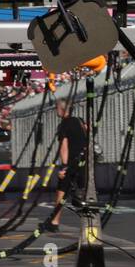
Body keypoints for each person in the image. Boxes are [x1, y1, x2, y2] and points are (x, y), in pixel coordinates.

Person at [43, 97, 87, 231]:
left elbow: (64, 146)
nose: (56, 110)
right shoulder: (80, 121)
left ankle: (55, 222)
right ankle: (89, 223)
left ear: (61, 110)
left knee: (62, 191)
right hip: (84, 160)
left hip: (72, 162)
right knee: (83, 191)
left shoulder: (64, 124)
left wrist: (65, 167)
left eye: (57, 108)